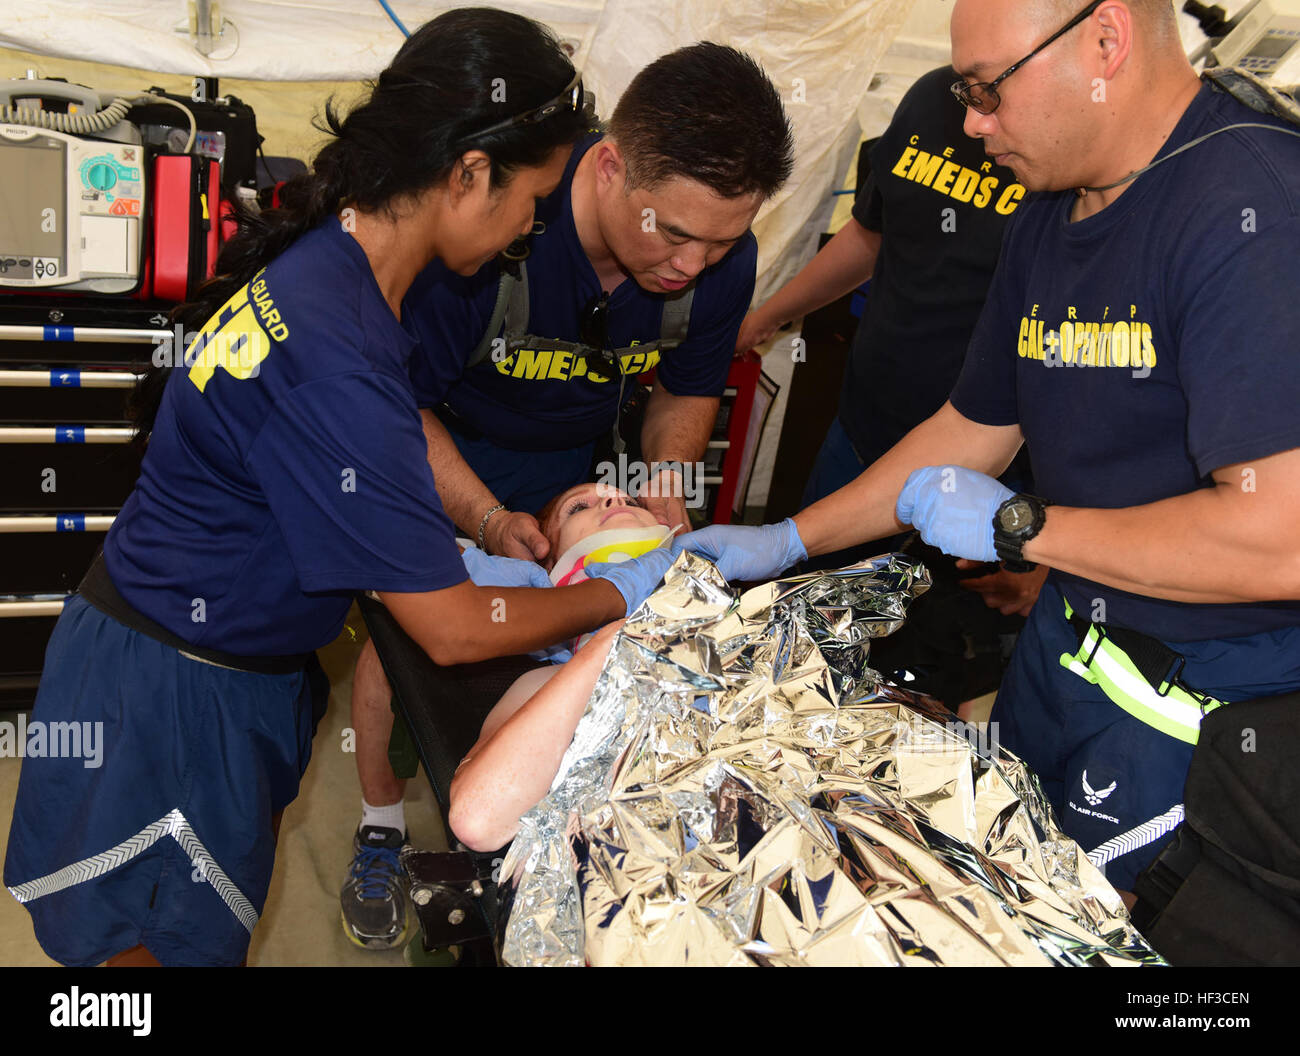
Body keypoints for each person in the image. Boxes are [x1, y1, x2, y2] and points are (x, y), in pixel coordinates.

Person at [2, 8, 673, 968]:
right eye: (532, 195)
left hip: (205, 663)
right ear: (468, 173)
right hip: (174, 698)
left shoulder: (333, 266)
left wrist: (481, 520)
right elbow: (446, 626)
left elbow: (346, 478)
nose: (533, 224)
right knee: (143, 967)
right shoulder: (341, 349)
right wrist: (625, 591)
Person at [665, 0, 1300, 897]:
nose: (971, 120)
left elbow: (1282, 537)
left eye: (988, 88)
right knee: (993, 890)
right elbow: (971, 429)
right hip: (1069, 647)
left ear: (1105, 41)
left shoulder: (1256, 214)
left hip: (1203, 702)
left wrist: (1023, 528)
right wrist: (792, 538)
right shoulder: (1050, 210)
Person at [340, 43, 794, 948]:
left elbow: (685, 389)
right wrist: (483, 519)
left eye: (724, 242)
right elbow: (398, 402)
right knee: (404, 648)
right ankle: (380, 824)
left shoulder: (712, 253)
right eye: (674, 232)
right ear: (611, 164)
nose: (697, 265)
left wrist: (663, 497)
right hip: (442, 453)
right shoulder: (501, 215)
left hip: (577, 472)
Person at [736, 66, 1043, 708]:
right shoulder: (934, 96)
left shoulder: (1074, 145)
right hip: (864, 431)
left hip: (998, 477)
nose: (972, 117)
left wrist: (1053, 553)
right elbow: (871, 238)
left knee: (936, 673)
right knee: (806, 621)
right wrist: (768, 316)